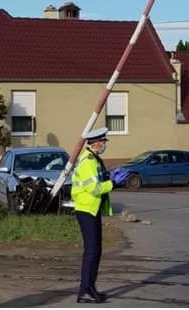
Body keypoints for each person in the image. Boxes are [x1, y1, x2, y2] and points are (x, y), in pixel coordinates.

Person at [71, 128, 129, 304]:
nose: (104, 145)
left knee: (95, 251)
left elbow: (99, 179)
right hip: (86, 210)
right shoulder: (88, 161)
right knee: (92, 252)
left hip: (91, 210)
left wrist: (110, 175)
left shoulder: (94, 159)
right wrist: (114, 183)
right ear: (95, 143)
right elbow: (94, 188)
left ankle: (90, 288)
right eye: (102, 142)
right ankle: (84, 291)